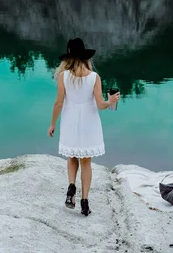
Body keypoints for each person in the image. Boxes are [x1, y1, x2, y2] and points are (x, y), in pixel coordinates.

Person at [47, 38, 120, 216]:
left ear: (69, 57)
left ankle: (71, 188)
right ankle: (85, 202)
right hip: (89, 122)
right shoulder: (94, 77)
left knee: (72, 157)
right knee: (86, 163)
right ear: (85, 56)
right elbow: (101, 105)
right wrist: (111, 101)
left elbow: (58, 103)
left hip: (70, 121)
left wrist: (52, 123)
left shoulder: (64, 76)